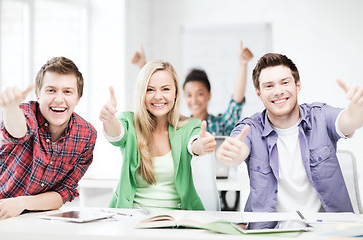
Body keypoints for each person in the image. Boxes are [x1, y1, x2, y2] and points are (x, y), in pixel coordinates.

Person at [216, 53, 363, 227]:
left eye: (285, 82)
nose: (278, 91)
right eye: (269, 86)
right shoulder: (251, 127)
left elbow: (350, 120)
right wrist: (233, 155)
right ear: (259, 93)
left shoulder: (320, 116)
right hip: (270, 234)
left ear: (297, 85)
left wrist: (358, 108)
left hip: (327, 232)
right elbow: (238, 148)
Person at [0, 57, 97, 225]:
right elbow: (18, 131)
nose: (58, 99)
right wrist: (10, 108)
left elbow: (64, 192)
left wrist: (23, 202)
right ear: (38, 95)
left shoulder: (86, 135)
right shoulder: (27, 113)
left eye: (67, 91)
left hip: (36, 222)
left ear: (78, 98)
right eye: (51, 90)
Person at [99, 60, 216, 211]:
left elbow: (194, 144)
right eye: (150, 90)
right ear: (142, 93)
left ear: (175, 93)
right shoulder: (128, 122)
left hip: (177, 222)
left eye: (165, 89)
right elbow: (117, 134)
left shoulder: (189, 126)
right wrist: (109, 119)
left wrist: (202, 144)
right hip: (132, 220)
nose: (158, 96)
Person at [131, 41, 254, 136]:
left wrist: (243, 64)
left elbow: (236, 103)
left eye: (199, 94)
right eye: (189, 95)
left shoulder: (221, 124)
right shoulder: (178, 126)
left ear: (208, 95)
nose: (194, 100)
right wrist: (142, 66)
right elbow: (154, 108)